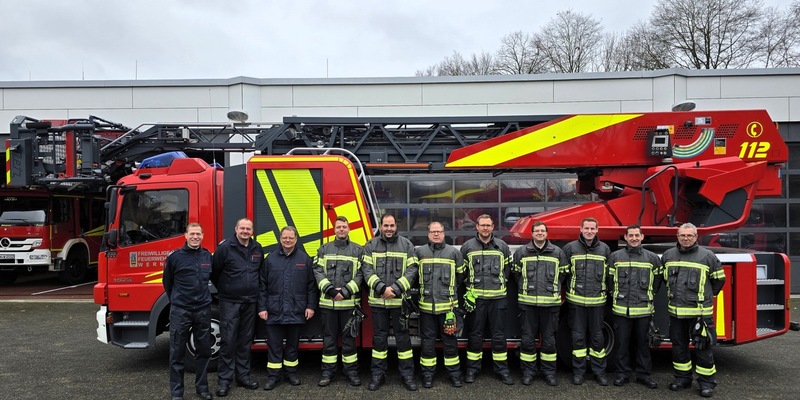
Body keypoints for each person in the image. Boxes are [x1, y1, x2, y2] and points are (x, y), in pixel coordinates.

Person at [662, 223, 725, 398]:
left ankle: (706, 383)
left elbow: (718, 280)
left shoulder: (707, 256)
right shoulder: (668, 255)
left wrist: (705, 297)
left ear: (696, 237)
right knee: (678, 346)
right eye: (683, 235)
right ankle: (682, 378)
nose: (686, 238)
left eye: (689, 235)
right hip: (676, 312)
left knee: (703, 348)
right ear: (677, 236)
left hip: (700, 314)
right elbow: (666, 280)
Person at [361, 214, 419, 391]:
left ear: (396, 226)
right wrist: (381, 289)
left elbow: (412, 270)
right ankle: (378, 375)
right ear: (381, 226)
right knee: (379, 339)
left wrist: (394, 289)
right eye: (385, 225)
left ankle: (407, 375)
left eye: (392, 225)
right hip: (378, 302)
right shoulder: (371, 245)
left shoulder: (407, 245)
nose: (389, 228)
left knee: (403, 339)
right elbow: (366, 270)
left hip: (399, 302)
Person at [257, 226, 318, 391]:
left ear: (296, 239)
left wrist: (311, 306)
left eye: (291, 238)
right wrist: (262, 308)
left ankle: (291, 373)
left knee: (292, 345)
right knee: (274, 346)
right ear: (280, 238)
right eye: (285, 238)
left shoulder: (304, 259)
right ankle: (273, 377)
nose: (288, 240)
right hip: (274, 310)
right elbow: (262, 286)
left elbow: (311, 287)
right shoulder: (270, 259)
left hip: (296, 310)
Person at [512, 221, 569, 387]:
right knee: (528, 340)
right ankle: (528, 372)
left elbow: (563, 274)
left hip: (550, 305)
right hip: (527, 304)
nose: (539, 233)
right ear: (532, 233)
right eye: (537, 231)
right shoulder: (522, 252)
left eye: (542, 231)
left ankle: (549, 372)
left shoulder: (557, 252)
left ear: (547, 233)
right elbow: (516, 273)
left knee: (549, 341)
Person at [210, 218, 263, 396]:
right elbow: (214, 272)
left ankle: (243, 377)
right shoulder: (225, 248)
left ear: (252, 231)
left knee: (245, 341)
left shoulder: (257, 248)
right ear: (236, 229)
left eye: (248, 228)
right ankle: (224, 381)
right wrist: (226, 290)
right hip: (230, 302)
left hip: (250, 302)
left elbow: (260, 273)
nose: (245, 231)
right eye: (242, 228)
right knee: (228, 341)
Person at [460, 214, 514, 385]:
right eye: (482, 225)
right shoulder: (467, 247)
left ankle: (502, 370)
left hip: (498, 299)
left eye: (488, 225)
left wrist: (497, 286)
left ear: (493, 227)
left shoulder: (502, 246)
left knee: (498, 336)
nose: (485, 228)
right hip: (476, 300)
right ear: (477, 227)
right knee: (475, 336)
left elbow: (507, 271)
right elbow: (462, 272)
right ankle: (472, 370)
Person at [607, 225, 662, 389]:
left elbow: (658, 281)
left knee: (643, 344)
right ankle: (622, 374)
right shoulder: (615, 257)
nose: (634, 238)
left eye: (637, 235)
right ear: (625, 237)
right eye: (630, 235)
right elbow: (609, 280)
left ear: (642, 236)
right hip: (621, 310)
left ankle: (644, 375)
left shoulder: (652, 258)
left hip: (643, 309)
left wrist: (647, 295)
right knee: (622, 344)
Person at [163, 222, 214, 400]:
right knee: (177, 352)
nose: (195, 237)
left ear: (202, 236)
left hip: (203, 310)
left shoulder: (208, 256)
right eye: (192, 234)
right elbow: (167, 283)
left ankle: (202, 388)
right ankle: (177, 392)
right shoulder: (175, 257)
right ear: (185, 235)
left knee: (204, 351)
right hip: (181, 311)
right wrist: (178, 300)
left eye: (198, 234)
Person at [312, 216, 364, 387]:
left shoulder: (358, 250)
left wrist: (347, 291)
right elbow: (318, 271)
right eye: (339, 227)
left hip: (349, 305)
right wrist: (331, 290)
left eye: (344, 227)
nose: (342, 229)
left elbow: (361, 274)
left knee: (349, 340)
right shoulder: (323, 249)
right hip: (328, 304)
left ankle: (351, 372)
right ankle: (328, 372)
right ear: (334, 230)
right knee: (329, 340)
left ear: (349, 229)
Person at [415, 221, 465, 389]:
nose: (436, 234)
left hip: (448, 308)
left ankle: (454, 374)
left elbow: (460, 277)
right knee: (427, 343)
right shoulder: (420, 252)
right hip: (426, 308)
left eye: (439, 231)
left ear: (444, 233)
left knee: (450, 342)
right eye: (433, 231)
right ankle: (428, 375)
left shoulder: (453, 253)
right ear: (428, 234)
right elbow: (414, 276)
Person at [562, 216, 611, 386]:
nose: (589, 231)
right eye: (586, 228)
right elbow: (563, 273)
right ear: (581, 229)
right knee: (578, 338)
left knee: (598, 338)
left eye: (592, 229)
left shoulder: (605, 249)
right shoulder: (570, 248)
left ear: (597, 230)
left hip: (597, 303)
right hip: (575, 302)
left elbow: (609, 275)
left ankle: (599, 372)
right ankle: (578, 373)